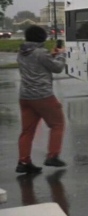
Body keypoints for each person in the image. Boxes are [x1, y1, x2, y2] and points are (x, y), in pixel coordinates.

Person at [16, 25, 67, 173]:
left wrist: (50, 55)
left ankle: (24, 161)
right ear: (42, 37)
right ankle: (53, 155)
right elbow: (57, 68)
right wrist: (61, 54)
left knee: (27, 131)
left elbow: (37, 63)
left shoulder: (21, 52)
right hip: (43, 96)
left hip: (25, 96)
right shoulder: (41, 53)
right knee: (57, 124)